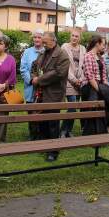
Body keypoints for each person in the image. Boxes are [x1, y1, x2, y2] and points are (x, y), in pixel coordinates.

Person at [32, 32, 70, 162]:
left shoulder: (62, 55)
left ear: (53, 41)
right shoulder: (43, 53)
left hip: (54, 95)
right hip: (41, 94)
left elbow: (59, 73)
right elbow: (34, 66)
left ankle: (53, 151)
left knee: (53, 123)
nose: (43, 44)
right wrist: (33, 77)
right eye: (42, 41)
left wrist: (39, 79)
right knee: (42, 122)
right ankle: (45, 146)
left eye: (45, 42)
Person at [60, 30, 86, 138]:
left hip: (80, 82)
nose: (74, 38)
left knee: (75, 107)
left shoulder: (83, 48)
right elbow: (64, 65)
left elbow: (84, 65)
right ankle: (63, 130)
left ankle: (68, 131)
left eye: (77, 36)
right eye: (73, 36)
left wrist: (81, 79)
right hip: (69, 81)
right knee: (72, 106)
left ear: (80, 38)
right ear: (70, 36)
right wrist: (74, 79)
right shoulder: (64, 47)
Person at [20, 29, 45, 140]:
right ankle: (32, 134)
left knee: (42, 110)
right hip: (30, 87)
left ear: (43, 39)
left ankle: (41, 134)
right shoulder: (27, 52)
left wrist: (41, 81)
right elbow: (23, 69)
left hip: (43, 88)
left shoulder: (47, 51)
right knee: (31, 110)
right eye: (35, 37)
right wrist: (31, 80)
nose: (37, 39)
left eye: (39, 37)